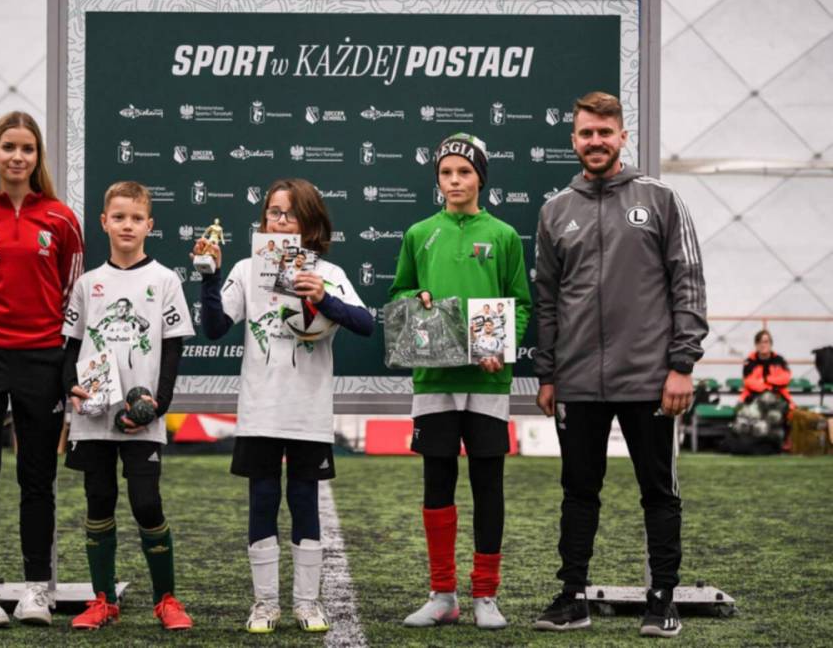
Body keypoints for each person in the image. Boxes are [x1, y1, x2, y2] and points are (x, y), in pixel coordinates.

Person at [532, 92, 708, 639]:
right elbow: (547, 300)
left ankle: (662, 598)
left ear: (623, 136)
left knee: (658, 491)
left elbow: (688, 282)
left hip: (649, 379)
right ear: (574, 140)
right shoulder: (555, 210)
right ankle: (573, 597)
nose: (596, 141)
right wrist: (548, 374)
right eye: (586, 133)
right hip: (577, 381)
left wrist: (682, 364)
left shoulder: (661, 199)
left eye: (605, 132)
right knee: (578, 491)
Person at [194, 178, 374, 633]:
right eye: (273, 212)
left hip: (307, 412)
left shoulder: (327, 272)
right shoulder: (246, 268)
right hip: (260, 409)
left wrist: (323, 297)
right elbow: (214, 327)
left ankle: (307, 604)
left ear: (310, 222)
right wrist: (210, 278)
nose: (279, 221)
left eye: (289, 213)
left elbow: (365, 323)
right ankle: (265, 604)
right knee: (263, 499)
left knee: (303, 499)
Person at [0, 111, 83, 629]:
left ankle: (35, 591)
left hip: (41, 361)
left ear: (38, 156)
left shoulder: (61, 219)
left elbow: (70, 294)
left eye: (27, 148)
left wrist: (53, 352)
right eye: (9, 147)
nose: (17, 157)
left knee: (37, 479)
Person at [389, 132, 531, 630]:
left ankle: (485, 595)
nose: (454, 181)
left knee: (488, 485)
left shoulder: (504, 235)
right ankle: (443, 594)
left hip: (488, 383)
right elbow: (400, 292)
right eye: (446, 173)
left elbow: (521, 303)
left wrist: (501, 347)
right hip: (434, 380)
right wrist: (417, 301)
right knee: (438, 483)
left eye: (464, 172)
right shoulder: (419, 233)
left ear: (480, 178)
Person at [62, 181, 195, 631]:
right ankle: (103, 600)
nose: (127, 225)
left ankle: (167, 600)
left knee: (146, 504)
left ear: (149, 225)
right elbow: (71, 347)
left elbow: (173, 350)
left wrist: (158, 407)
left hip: (142, 418)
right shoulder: (87, 284)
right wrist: (70, 386)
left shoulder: (165, 280)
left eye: (136, 218)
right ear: (104, 222)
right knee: (99, 500)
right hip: (94, 416)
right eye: (118, 217)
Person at [741, 330, 795, 410]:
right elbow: (750, 382)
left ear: (771, 344)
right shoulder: (749, 362)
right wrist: (771, 386)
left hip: (778, 396)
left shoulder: (779, 360)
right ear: (756, 345)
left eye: (766, 342)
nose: (763, 345)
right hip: (753, 397)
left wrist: (765, 379)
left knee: (784, 411)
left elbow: (785, 378)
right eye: (759, 342)